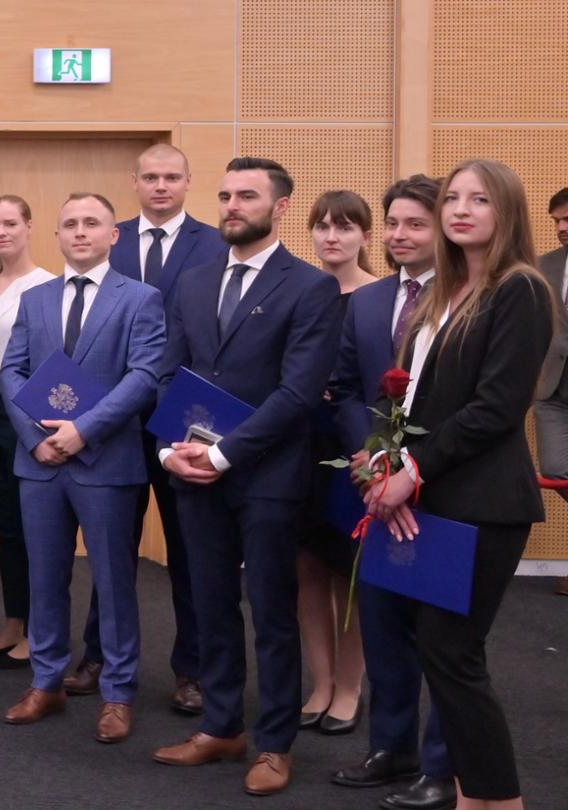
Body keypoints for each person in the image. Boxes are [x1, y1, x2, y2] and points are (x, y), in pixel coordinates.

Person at [150, 158, 341, 797]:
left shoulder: (310, 287)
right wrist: (170, 452)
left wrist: (225, 454)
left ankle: (275, 744)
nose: (232, 205)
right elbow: (170, 375)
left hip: (268, 476)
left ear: (281, 207)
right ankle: (221, 726)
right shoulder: (194, 280)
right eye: (226, 194)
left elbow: (299, 393)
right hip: (192, 473)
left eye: (248, 196)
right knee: (209, 604)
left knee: (272, 611)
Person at [363, 159, 551, 810]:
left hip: (484, 502)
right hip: (436, 495)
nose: (461, 210)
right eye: (452, 199)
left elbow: (495, 408)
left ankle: (500, 801)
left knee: (453, 656)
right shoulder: (443, 293)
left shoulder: (519, 289)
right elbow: (406, 399)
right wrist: (382, 461)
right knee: (445, 658)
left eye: (480, 200)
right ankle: (477, 798)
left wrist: (411, 471)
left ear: (508, 212)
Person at [0, 192, 165, 743]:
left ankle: (118, 693)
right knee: (45, 579)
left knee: (113, 584)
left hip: (106, 462)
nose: (80, 232)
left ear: (114, 235)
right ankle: (45, 682)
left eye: (92, 223)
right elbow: (12, 371)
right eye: (70, 224)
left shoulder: (140, 298)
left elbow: (144, 377)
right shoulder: (36, 298)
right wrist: (34, 438)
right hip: (40, 461)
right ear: (57, 235)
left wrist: (82, 430)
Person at [75, 143, 227, 710]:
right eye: (150, 177)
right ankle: (98, 656)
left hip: (185, 418)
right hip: (113, 415)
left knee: (189, 551)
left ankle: (193, 670)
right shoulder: (107, 238)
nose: (160, 186)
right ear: (134, 182)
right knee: (111, 546)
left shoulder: (214, 244)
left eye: (171, 177)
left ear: (188, 182)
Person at [326, 174, 455, 810]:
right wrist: (375, 461)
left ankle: (442, 766)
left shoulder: (468, 298)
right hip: (375, 484)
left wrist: (413, 468)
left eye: (416, 224)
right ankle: (391, 746)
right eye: (395, 223)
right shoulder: (370, 300)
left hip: (447, 485)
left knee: (443, 637)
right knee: (381, 621)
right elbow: (347, 388)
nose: (401, 235)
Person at [298, 189, 377, 737]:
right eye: (323, 226)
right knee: (307, 568)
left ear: (365, 236)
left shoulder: (381, 296)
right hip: (301, 443)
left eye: (345, 227)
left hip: (359, 445)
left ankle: (350, 688)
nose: (332, 236)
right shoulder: (303, 292)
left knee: (353, 574)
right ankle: (321, 683)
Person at [0, 194, 50, 668]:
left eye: (10, 224)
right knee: (4, 526)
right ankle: (14, 620)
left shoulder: (45, 286)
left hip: (19, 412)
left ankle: (39, 629)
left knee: (30, 526)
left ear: (29, 226)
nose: (2, 232)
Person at [538, 187, 568, 599]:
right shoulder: (543, 266)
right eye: (556, 221)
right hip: (550, 388)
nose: (560, 227)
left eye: (567, 219)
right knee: (556, 470)